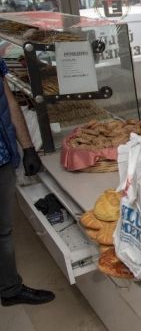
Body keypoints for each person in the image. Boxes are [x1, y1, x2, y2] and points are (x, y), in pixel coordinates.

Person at [0, 58, 55, 306]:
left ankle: (10, 289)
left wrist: (28, 147)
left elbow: (8, 101)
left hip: (2, 158)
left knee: (3, 231)